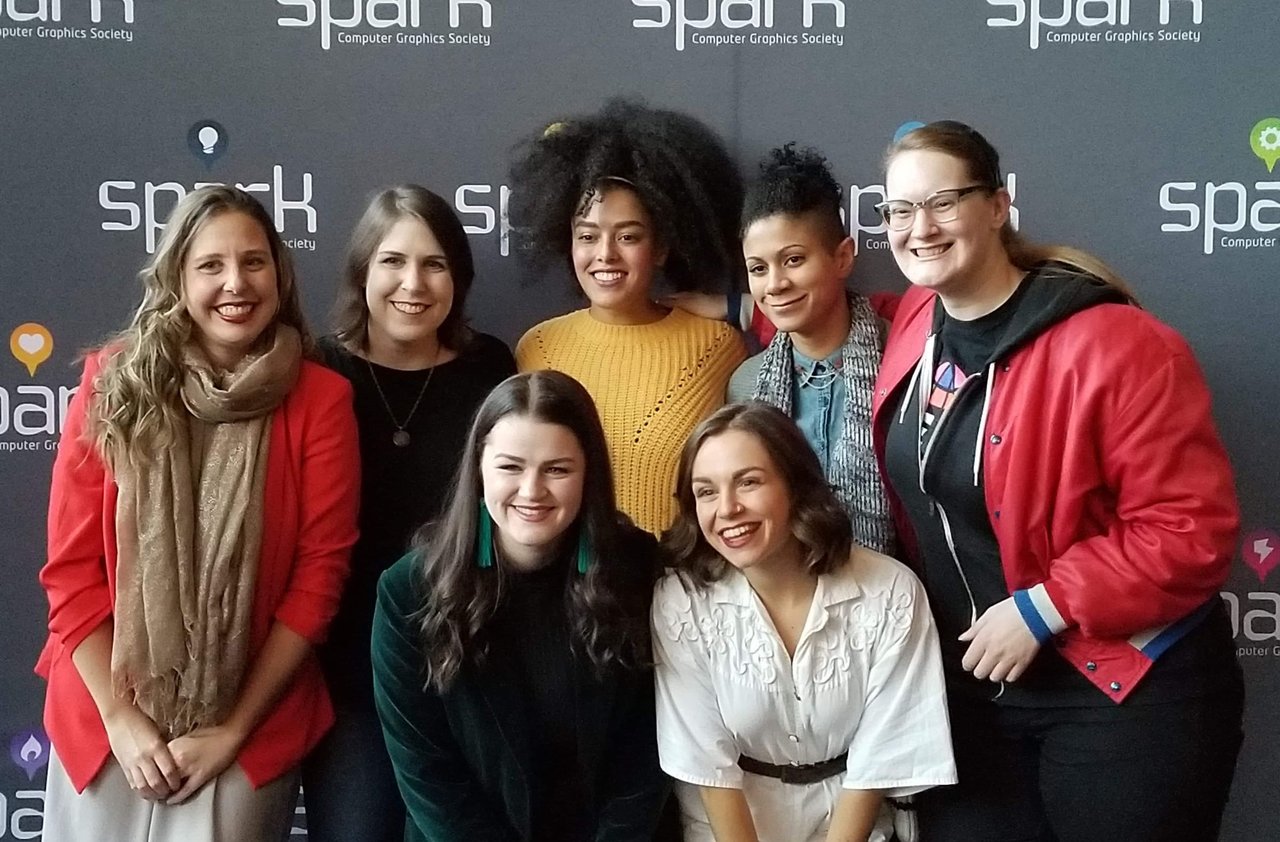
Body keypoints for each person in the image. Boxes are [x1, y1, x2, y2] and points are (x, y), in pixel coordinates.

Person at [872, 120, 1244, 842]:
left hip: (1122, 689)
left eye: (943, 202)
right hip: (978, 697)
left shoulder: (1120, 346)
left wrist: (1044, 607)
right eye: (899, 210)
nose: (919, 228)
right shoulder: (917, 315)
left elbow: (1189, 532)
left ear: (997, 205)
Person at [37, 185, 360, 842]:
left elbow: (317, 581)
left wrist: (230, 732)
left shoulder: (320, 398)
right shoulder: (112, 381)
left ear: (279, 272)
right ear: (178, 276)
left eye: (254, 261)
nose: (235, 283)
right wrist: (122, 721)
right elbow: (71, 573)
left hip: (246, 727)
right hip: (105, 721)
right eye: (211, 265)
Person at [371, 370, 669, 841]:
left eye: (557, 469)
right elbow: (427, 774)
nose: (532, 491)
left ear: (588, 473)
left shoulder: (637, 569)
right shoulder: (408, 591)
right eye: (510, 467)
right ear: (478, 469)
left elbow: (646, 753)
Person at [304, 184, 515, 842]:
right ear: (362, 271)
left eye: (435, 264)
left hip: (467, 662)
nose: (413, 284)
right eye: (393, 262)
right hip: (351, 675)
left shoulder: (490, 367)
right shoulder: (318, 371)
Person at [653, 401, 955, 842]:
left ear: (795, 485)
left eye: (749, 482)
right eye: (706, 492)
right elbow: (705, 761)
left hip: (855, 823)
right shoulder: (681, 600)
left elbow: (879, 757)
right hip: (728, 826)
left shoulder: (889, 591)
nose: (728, 508)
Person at [510, 98, 747, 535]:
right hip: (568, 590)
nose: (605, 254)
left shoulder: (716, 346)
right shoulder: (537, 348)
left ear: (660, 247)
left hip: (681, 588)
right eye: (588, 236)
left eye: (628, 236)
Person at [729, 143, 896, 556]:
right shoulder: (746, 384)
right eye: (758, 268)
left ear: (842, 258)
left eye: (794, 260)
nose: (775, 284)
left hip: (901, 597)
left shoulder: (906, 360)